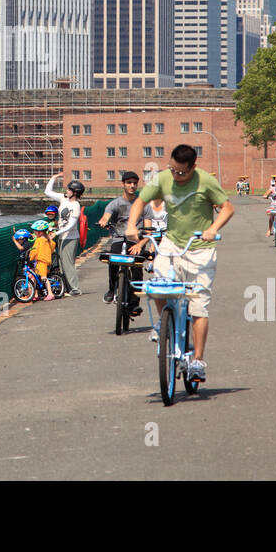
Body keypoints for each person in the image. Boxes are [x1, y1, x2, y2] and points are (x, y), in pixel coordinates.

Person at [125, 144, 234, 383]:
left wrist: (212, 229)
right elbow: (139, 202)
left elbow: (227, 208)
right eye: (173, 170)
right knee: (158, 285)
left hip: (200, 250)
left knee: (198, 306)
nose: (176, 176)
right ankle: (164, 321)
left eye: (182, 172)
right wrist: (132, 225)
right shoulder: (163, 178)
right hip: (172, 244)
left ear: (193, 167)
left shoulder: (205, 181)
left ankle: (197, 360)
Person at [99, 171, 143, 312]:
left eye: (135, 183)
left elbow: (148, 222)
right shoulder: (115, 203)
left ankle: (135, 301)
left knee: (137, 268)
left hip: (136, 241)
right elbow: (106, 216)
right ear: (123, 184)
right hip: (119, 238)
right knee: (113, 259)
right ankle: (112, 290)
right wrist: (104, 221)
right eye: (129, 183)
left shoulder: (142, 203)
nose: (132, 186)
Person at [45, 174, 84, 295]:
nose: (66, 191)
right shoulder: (64, 199)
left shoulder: (76, 206)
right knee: (62, 263)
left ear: (75, 193)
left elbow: (71, 225)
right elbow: (47, 192)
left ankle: (75, 289)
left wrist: (56, 233)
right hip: (62, 236)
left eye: (69, 189)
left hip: (70, 237)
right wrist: (54, 177)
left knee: (68, 263)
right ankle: (67, 288)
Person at [28, 219, 57, 300]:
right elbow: (52, 246)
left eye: (35, 232)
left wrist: (31, 257)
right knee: (36, 277)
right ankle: (36, 294)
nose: (34, 233)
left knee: (43, 278)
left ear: (39, 232)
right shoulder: (48, 239)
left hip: (41, 261)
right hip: (47, 261)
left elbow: (34, 250)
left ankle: (50, 294)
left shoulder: (39, 240)